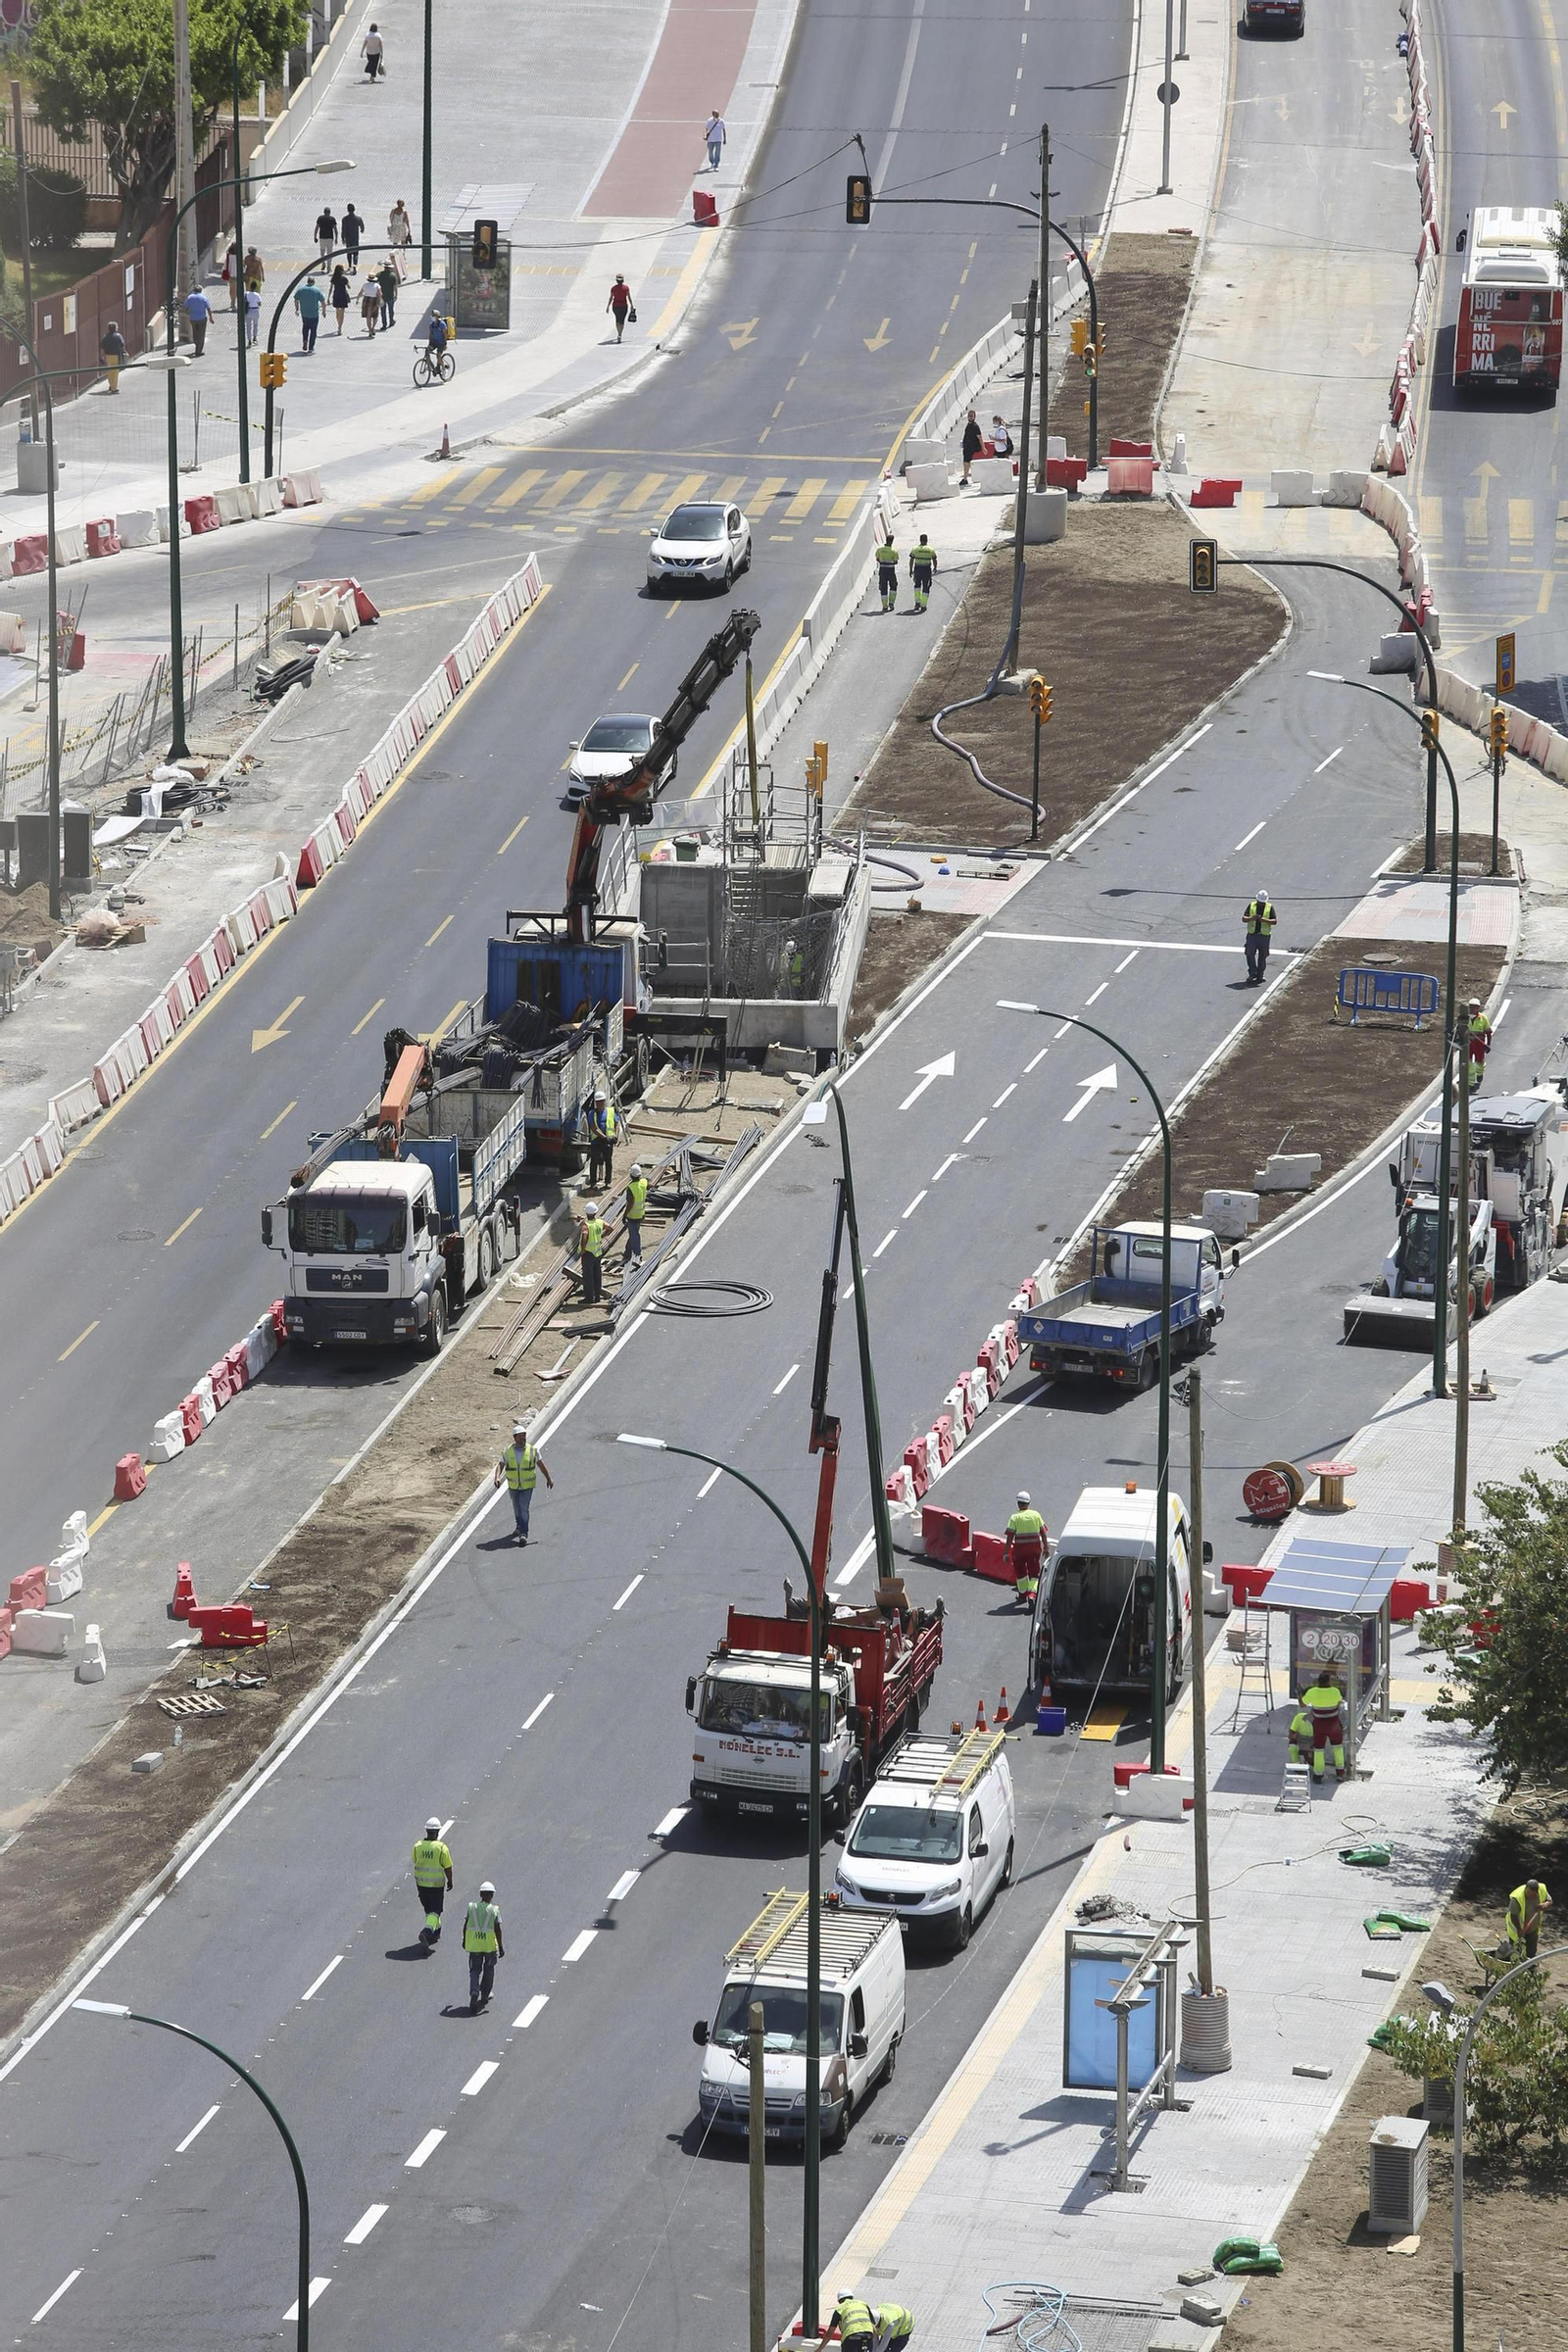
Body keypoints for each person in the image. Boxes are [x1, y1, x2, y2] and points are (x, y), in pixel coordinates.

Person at [493, 1417, 553, 1544]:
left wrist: (548, 1478)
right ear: (514, 1438)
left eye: (524, 1435)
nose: (522, 1438)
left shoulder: (532, 1450)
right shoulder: (507, 1451)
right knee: (517, 1508)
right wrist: (497, 1477)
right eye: (519, 1436)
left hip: (527, 1486)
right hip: (513, 1486)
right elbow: (500, 1465)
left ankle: (524, 1533)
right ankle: (519, 1526)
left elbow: (541, 1465)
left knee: (523, 1507)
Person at [413, 1817, 454, 1946]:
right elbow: (447, 1867)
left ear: (427, 1831)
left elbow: (415, 1860)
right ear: (438, 1831)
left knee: (429, 1910)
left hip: (421, 1885)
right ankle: (426, 1932)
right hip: (436, 1886)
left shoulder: (417, 1846)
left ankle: (435, 1931)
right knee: (435, 1911)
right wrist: (450, 1881)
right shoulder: (441, 1848)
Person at [1299, 1668, 1347, 1782]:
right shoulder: (1335, 1691)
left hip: (1319, 1725)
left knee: (1319, 1749)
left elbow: (1302, 1705)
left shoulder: (1312, 1692)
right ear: (1329, 1681)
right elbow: (1339, 1703)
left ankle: (1318, 1774)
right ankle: (1340, 1773)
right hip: (1334, 1724)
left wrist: (1299, 1695)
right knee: (1338, 1748)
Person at [464, 1880, 504, 2013]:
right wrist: (501, 1947)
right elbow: (498, 1930)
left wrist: (465, 1941)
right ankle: (485, 1995)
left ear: (481, 1894)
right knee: (489, 1969)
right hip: (489, 1946)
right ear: (492, 1895)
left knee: (474, 1970)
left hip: (474, 1945)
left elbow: (465, 1926)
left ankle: (474, 1991)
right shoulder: (494, 1910)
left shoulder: (472, 1907)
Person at [1004, 1491, 1046, 1606]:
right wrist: (1046, 1547)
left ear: (1018, 1504)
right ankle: (1032, 1594)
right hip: (1034, 1551)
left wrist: (1006, 1552)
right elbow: (1043, 1533)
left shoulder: (1014, 1518)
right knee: (1034, 1573)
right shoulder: (1036, 1515)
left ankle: (1022, 1596)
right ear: (1029, 1503)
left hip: (1019, 1552)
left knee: (1021, 1573)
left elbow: (1010, 1536)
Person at [1506, 1877, 1552, 1959]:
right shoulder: (1517, 1898)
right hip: (1518, 1931)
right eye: (1528, 1893)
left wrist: (1545, 1904)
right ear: (1526, 1888)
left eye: (1533, 1895)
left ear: (1537, 1891)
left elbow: (1550, 1901)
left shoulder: (1542, 1889)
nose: (1530, 1896)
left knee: (1531, 1954)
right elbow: (1513, 1915)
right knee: (1516, 1954)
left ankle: (1530, 1965)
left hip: (1533, 1930)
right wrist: (1519, 1929)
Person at [1243, 888, 1276, 983]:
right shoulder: (1251, 905)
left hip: (1264, 936)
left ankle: (1260, 975)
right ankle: (1252, 973)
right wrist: (1252, 918)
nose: (1261, 904)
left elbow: (1274, 921)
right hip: (1252, 935)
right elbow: (1244, 918)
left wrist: (1264, 920)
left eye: (1262, 902)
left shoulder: (1269, 907)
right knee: (1249, 953)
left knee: (1263, 955)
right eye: (1259, 902)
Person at [587, 1087, 617, 1189]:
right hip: (597, 1141)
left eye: (601, 1101)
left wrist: (615, 1135)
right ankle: (593, 1182)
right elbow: (594, 1128)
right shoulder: (592, 1113)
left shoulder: (610, 1111)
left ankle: (607, 1181)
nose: (600, 1103)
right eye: (598, 1102)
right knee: (594, 1162)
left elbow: (616, 1124)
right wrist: (604, 1138)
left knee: (608, 1161)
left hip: (608, 1141)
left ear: (604, 1101)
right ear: (595, 1102)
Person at [578, 1200, 607, 1304]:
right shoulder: (599, 1222)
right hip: (598, 1253)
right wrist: (602, 1236)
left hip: (588, 1254)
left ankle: (589, 1298)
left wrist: (583, 1249)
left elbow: (584, 1236)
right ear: (596, 1212)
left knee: (588, 1276)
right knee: (597, 1275)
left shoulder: (586, 1225)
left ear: (586, 1213)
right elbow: (610, 1228)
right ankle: (597, 1296)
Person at [624, 1161, 648, 1265]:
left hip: (632, 1215)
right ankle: (627, 1252)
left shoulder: (631, 1187)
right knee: (633, 1233)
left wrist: (625, 1214)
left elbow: (630, 1203)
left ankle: (638, 1255)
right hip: (641, 1214)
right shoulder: (643, 1182)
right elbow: (649, 1182)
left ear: (630, 1175)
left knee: (634, 1235)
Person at [294, 275, 325, 353]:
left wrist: (297, 309)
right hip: (314, 314)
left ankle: (305, 340)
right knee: (313, 330)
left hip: (304, 313)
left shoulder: (301, 289)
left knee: (305, 327)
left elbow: (296, 299)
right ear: (314, 282)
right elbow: (323, 302)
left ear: (307, 281)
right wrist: (323, 311)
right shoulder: (317, 290)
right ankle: (311, 347)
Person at [1467, 997, 1492, 1091]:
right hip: (1468, 1045)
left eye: (1475, 1007)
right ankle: (1470, 1083)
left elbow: (1488, 1032)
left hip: (1479, 1045)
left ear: (1478, 1008)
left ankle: (1480, 1074)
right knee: (1469, 1064)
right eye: (1471, 1007)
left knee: (1479, 1062)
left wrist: (1488, 1044)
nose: (1472, 1009)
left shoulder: (1483, 1018)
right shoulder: (1465, 1018)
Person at [907, 532, 936, 612]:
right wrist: (935, 567)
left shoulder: (915, 549)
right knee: (926, 586)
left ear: (920, 540)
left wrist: (910, 570)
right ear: (927, 540)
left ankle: (917, 603)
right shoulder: (930, 549)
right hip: (927, 570)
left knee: (917, 585)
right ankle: (923, 605)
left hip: (918, 569)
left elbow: (911, 560)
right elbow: (934, 559)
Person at [183, 281, 212, 357]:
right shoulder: (204, 298)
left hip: (193, 318)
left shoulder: (190, 297)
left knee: (195, 333)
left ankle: (196, 343)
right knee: (201, 334)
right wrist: (211, 318)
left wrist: (187, 312)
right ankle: (198, 350)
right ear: (201, 291)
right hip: (202, 318)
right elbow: (208, 308)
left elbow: (185, 306)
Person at [99, 319, 128, 393]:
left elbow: (102, 347)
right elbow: (122, 345)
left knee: (110, 371)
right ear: (115, 328)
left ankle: (111, 384)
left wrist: (102, 357)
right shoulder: (118, 336)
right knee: (115, 371)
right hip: (116, 356)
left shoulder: (106, 337)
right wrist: (124, 352)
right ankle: (114, 388)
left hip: (108, 355)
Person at [875, 531, 899, 612]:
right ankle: (891, 603)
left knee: (883, 587)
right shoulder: (894, 551)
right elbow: (896, 561)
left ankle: (884, 606)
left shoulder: (880, 549)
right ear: (892, 541)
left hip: (882, 571)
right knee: (893, 586)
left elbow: (877, 558)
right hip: (891, 571)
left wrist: (883, 562)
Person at [388, 199, 413, 277]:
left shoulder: (403, 212)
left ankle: (403, 254)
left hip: (400, 227)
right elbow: (391, 218)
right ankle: (394, 254)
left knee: (402, 241)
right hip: (397, 227)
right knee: (395, 241)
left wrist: (408, 228)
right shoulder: (394, 211)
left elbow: (406, 220)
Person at [960, 408, 983, 486]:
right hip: (967, 447)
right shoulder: (969, 425)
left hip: (971, 447)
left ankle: (965, 478)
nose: (970, 417)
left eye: (971, 416)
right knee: (965, 463)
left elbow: (980, 437)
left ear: (974, 417)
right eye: (969, 416)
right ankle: (965, 477)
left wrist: (983, 448)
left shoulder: (975, 426)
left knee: (966, 462)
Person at [607, 273, 633, 342]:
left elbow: (611, 298)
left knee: (617, 319)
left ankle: (618, 333)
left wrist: (608, 306)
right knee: (622, 320)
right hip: (624, 305)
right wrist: (632, 305)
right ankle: (620, 334)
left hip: (615, 306)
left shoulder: (613, 288)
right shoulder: (626, 288)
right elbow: (629, 297)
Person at [377, 256, 399, 329]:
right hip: (390, 295)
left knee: (383, 311)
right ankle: (391, 321)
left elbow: (376, 284)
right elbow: (395, 286)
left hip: (382, 295)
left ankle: (384, 324)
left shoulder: (379, 274)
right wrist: (396, 295)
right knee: (391, 310)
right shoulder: (393, 275)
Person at [329, 263, 352, 335]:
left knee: (337, 311)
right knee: (342, 312)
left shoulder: (334, 278)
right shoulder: (344, 278)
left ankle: (338, 323)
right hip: (343, 295)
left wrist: (328, 297)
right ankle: (340, 327)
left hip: (336, 295)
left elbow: (331, 288)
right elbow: (349, 287)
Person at [360, 271, 382, 335]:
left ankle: (370, 330)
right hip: (374, 300)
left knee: (368, 317)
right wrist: (380, 300)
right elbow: (380, 294)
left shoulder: (365, 285)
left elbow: (361, 292)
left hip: (366, 300)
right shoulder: (377, 285)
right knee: (375, 316)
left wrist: (358, 299)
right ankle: (373, 328)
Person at [341, 203, 363, 268]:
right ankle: (355, 264)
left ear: (347, 210)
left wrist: (343, 238)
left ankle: (349, 265)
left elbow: (343, 229)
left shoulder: (345, 219)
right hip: (355, 238)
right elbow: (362, 227)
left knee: (349, 252)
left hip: (348, 238)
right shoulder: (358, 218)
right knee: (356, 252)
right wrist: (361, 230)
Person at [222, 238, 240, 309]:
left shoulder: (229, 256)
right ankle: (234, 303)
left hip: (230, 275)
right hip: (237, 275)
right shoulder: (238, 257)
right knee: (236, 290)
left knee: (232, 290)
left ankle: (232, 302)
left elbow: (225, 265)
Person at [244, 283, 261, 347]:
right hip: (255, 310)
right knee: (255, 324)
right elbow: (259, 303)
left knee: (248, 326)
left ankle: (249, 340)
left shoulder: (246, 294)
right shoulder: (257, 295)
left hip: (248, 310)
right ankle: (255, 337)